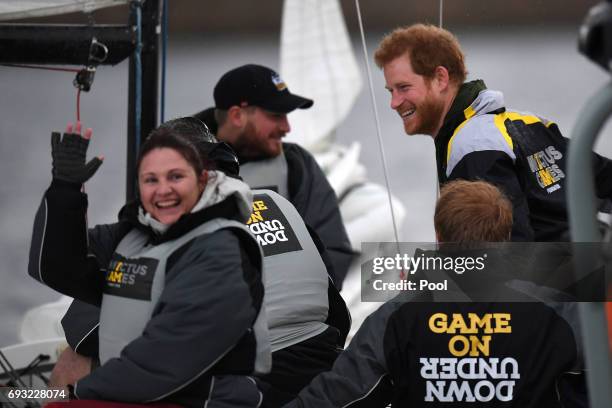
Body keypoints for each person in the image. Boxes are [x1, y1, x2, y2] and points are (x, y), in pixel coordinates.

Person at [28, 118, 270, 407]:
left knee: (56, 397)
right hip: (135, 392)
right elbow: (57, 268)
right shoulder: (134, 236)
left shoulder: (221, 248)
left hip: (199, 400)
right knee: (26, 395)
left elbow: (166, 360)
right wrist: (65, 192)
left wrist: (76, 394)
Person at [283, 180, 583, 407]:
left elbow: (339, 394)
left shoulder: (398, 318)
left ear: (439, 237)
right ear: (505, 240)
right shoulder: (559, 314)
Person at [373, 23, 612, 242]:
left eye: (403, 88)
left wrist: (425, 277)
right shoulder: (528, 123)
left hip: (561, 284)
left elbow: (507, 259)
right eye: (390, 91)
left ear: (440, 78)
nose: (394, 102)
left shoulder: (472, 147)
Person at [193, 63, 354, 287]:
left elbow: (332, 249)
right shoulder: (180, 167)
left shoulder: (297, 166)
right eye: (276, 115)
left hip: (286, 313)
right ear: (237, 116)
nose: (286, 127)